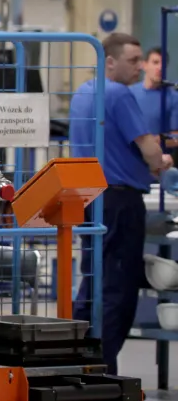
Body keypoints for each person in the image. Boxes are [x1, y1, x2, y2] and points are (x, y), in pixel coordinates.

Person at [70, 33, 172, 374]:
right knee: (119, 287)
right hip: (120, 200)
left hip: (89, 197)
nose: (139, 67)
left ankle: (77, 359)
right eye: (133, 60)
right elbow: (149, 149)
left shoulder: (83, 93)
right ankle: (102, 367)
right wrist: (161, 161)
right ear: (109, 61)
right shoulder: (118, 93)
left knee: (92, 279)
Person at [130, 47, 178, 137]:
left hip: (160, 146)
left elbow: (175, 136)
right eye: (155, 62)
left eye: (164, 64)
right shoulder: (129, 93)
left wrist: (156, 140)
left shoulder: (173, 98)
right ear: (144, 65)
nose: (160, 67)